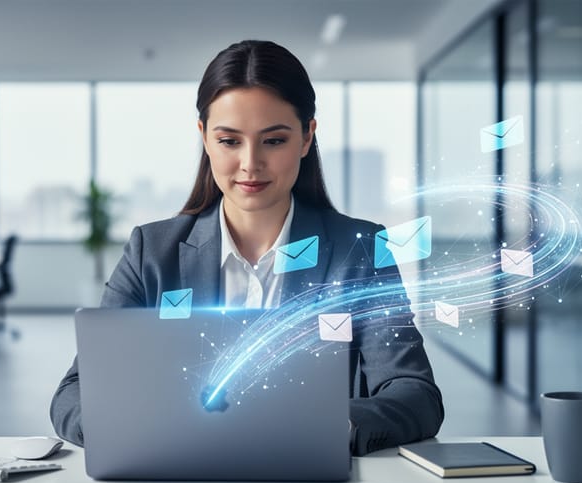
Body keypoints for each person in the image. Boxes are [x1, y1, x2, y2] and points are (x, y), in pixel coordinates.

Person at [50, 40, 444, 456]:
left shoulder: (359, 251)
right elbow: (74, 394)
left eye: (273, 141)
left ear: (307, 137)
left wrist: (329, 427)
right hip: (177, 479)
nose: (250, 163)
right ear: (204, 137)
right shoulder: (152, 251)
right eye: (230, 141)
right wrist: (137, 428)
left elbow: (415, 394)